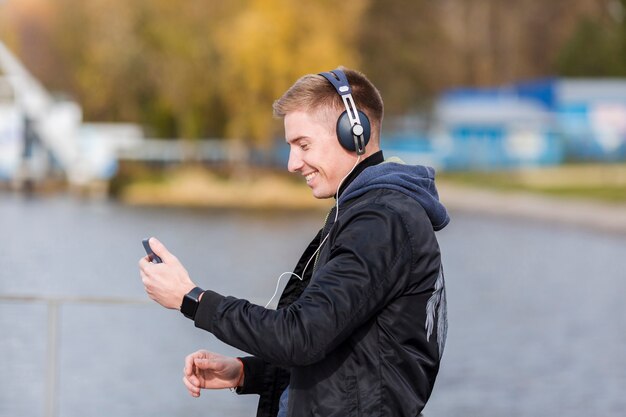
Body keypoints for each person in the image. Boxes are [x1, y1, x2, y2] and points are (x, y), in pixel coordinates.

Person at [139, 67, 450, 417]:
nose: (292, 163)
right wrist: (246, 373)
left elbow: (301, 335)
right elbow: (336, 347)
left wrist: (192, 299)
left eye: (303, 145)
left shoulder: (382, 221)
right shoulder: (364, 212)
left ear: (354, 134)